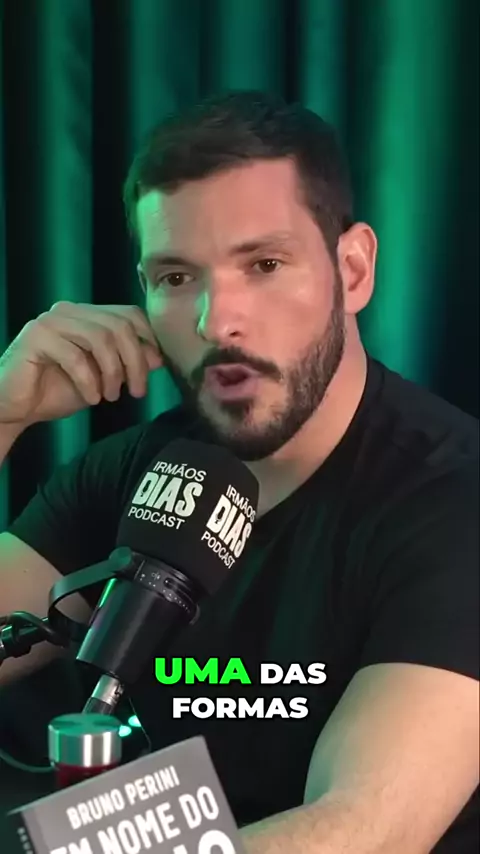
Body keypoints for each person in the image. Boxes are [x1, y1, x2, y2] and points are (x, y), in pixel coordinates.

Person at [0, 90, 478, 854]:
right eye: (176, 277)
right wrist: (1, 414)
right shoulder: (138, 470)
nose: (216, 321)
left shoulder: (452, 498)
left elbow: (367, 829)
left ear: (352, 270)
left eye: (264, 264)